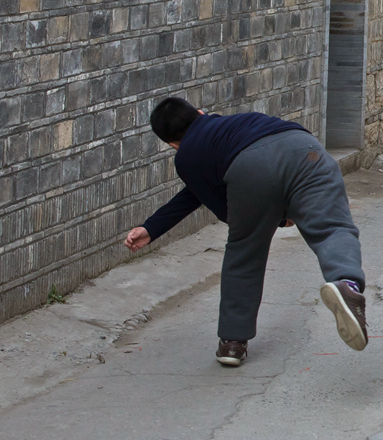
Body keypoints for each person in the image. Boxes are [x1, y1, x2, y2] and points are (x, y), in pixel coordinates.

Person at [122, 98, 367, 367]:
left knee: (245, 251)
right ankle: (348, 284)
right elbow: (192, 195)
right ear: (200, 113)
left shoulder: (187, 155)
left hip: (251, 167)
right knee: (333, 227)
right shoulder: (231, 124)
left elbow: (223, 208)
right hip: (305, 148)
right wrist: (152, 227)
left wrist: (273, 218)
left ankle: (233, 342)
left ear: (172, 144)